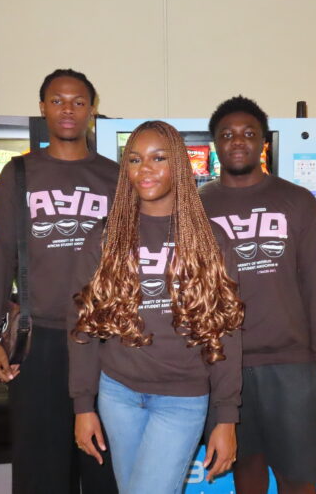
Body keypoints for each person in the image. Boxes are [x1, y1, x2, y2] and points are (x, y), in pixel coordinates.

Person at [68, 120, 244, 494]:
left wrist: (226, 418)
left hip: (182, 399)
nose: (144, 169)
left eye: (157, 158)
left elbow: (226, 332)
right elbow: (83, 327)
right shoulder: (104, 237)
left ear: (178, 165)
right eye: (134, 160)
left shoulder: (211, 240)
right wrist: (83, 406)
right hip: (117, 393)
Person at [0, 69, 119, 494]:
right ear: (42, 108)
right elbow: (0, 254)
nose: (68, 109)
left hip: (103, 341)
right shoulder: (19, 174)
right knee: (41, 469)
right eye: (57, 100)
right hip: (37, 341)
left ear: (92, 110)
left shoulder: (116, 177)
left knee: (102, 464)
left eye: (78, 101)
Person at [199, 96, 316, 494]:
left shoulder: (297, 202)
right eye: (227, 134)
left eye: (248, 133)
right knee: (246, 470)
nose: (237, 141)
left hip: (292, 363)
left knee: (298, 478)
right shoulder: (195, 207)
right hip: (224, 364)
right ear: (216, 144)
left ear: (264, 142)